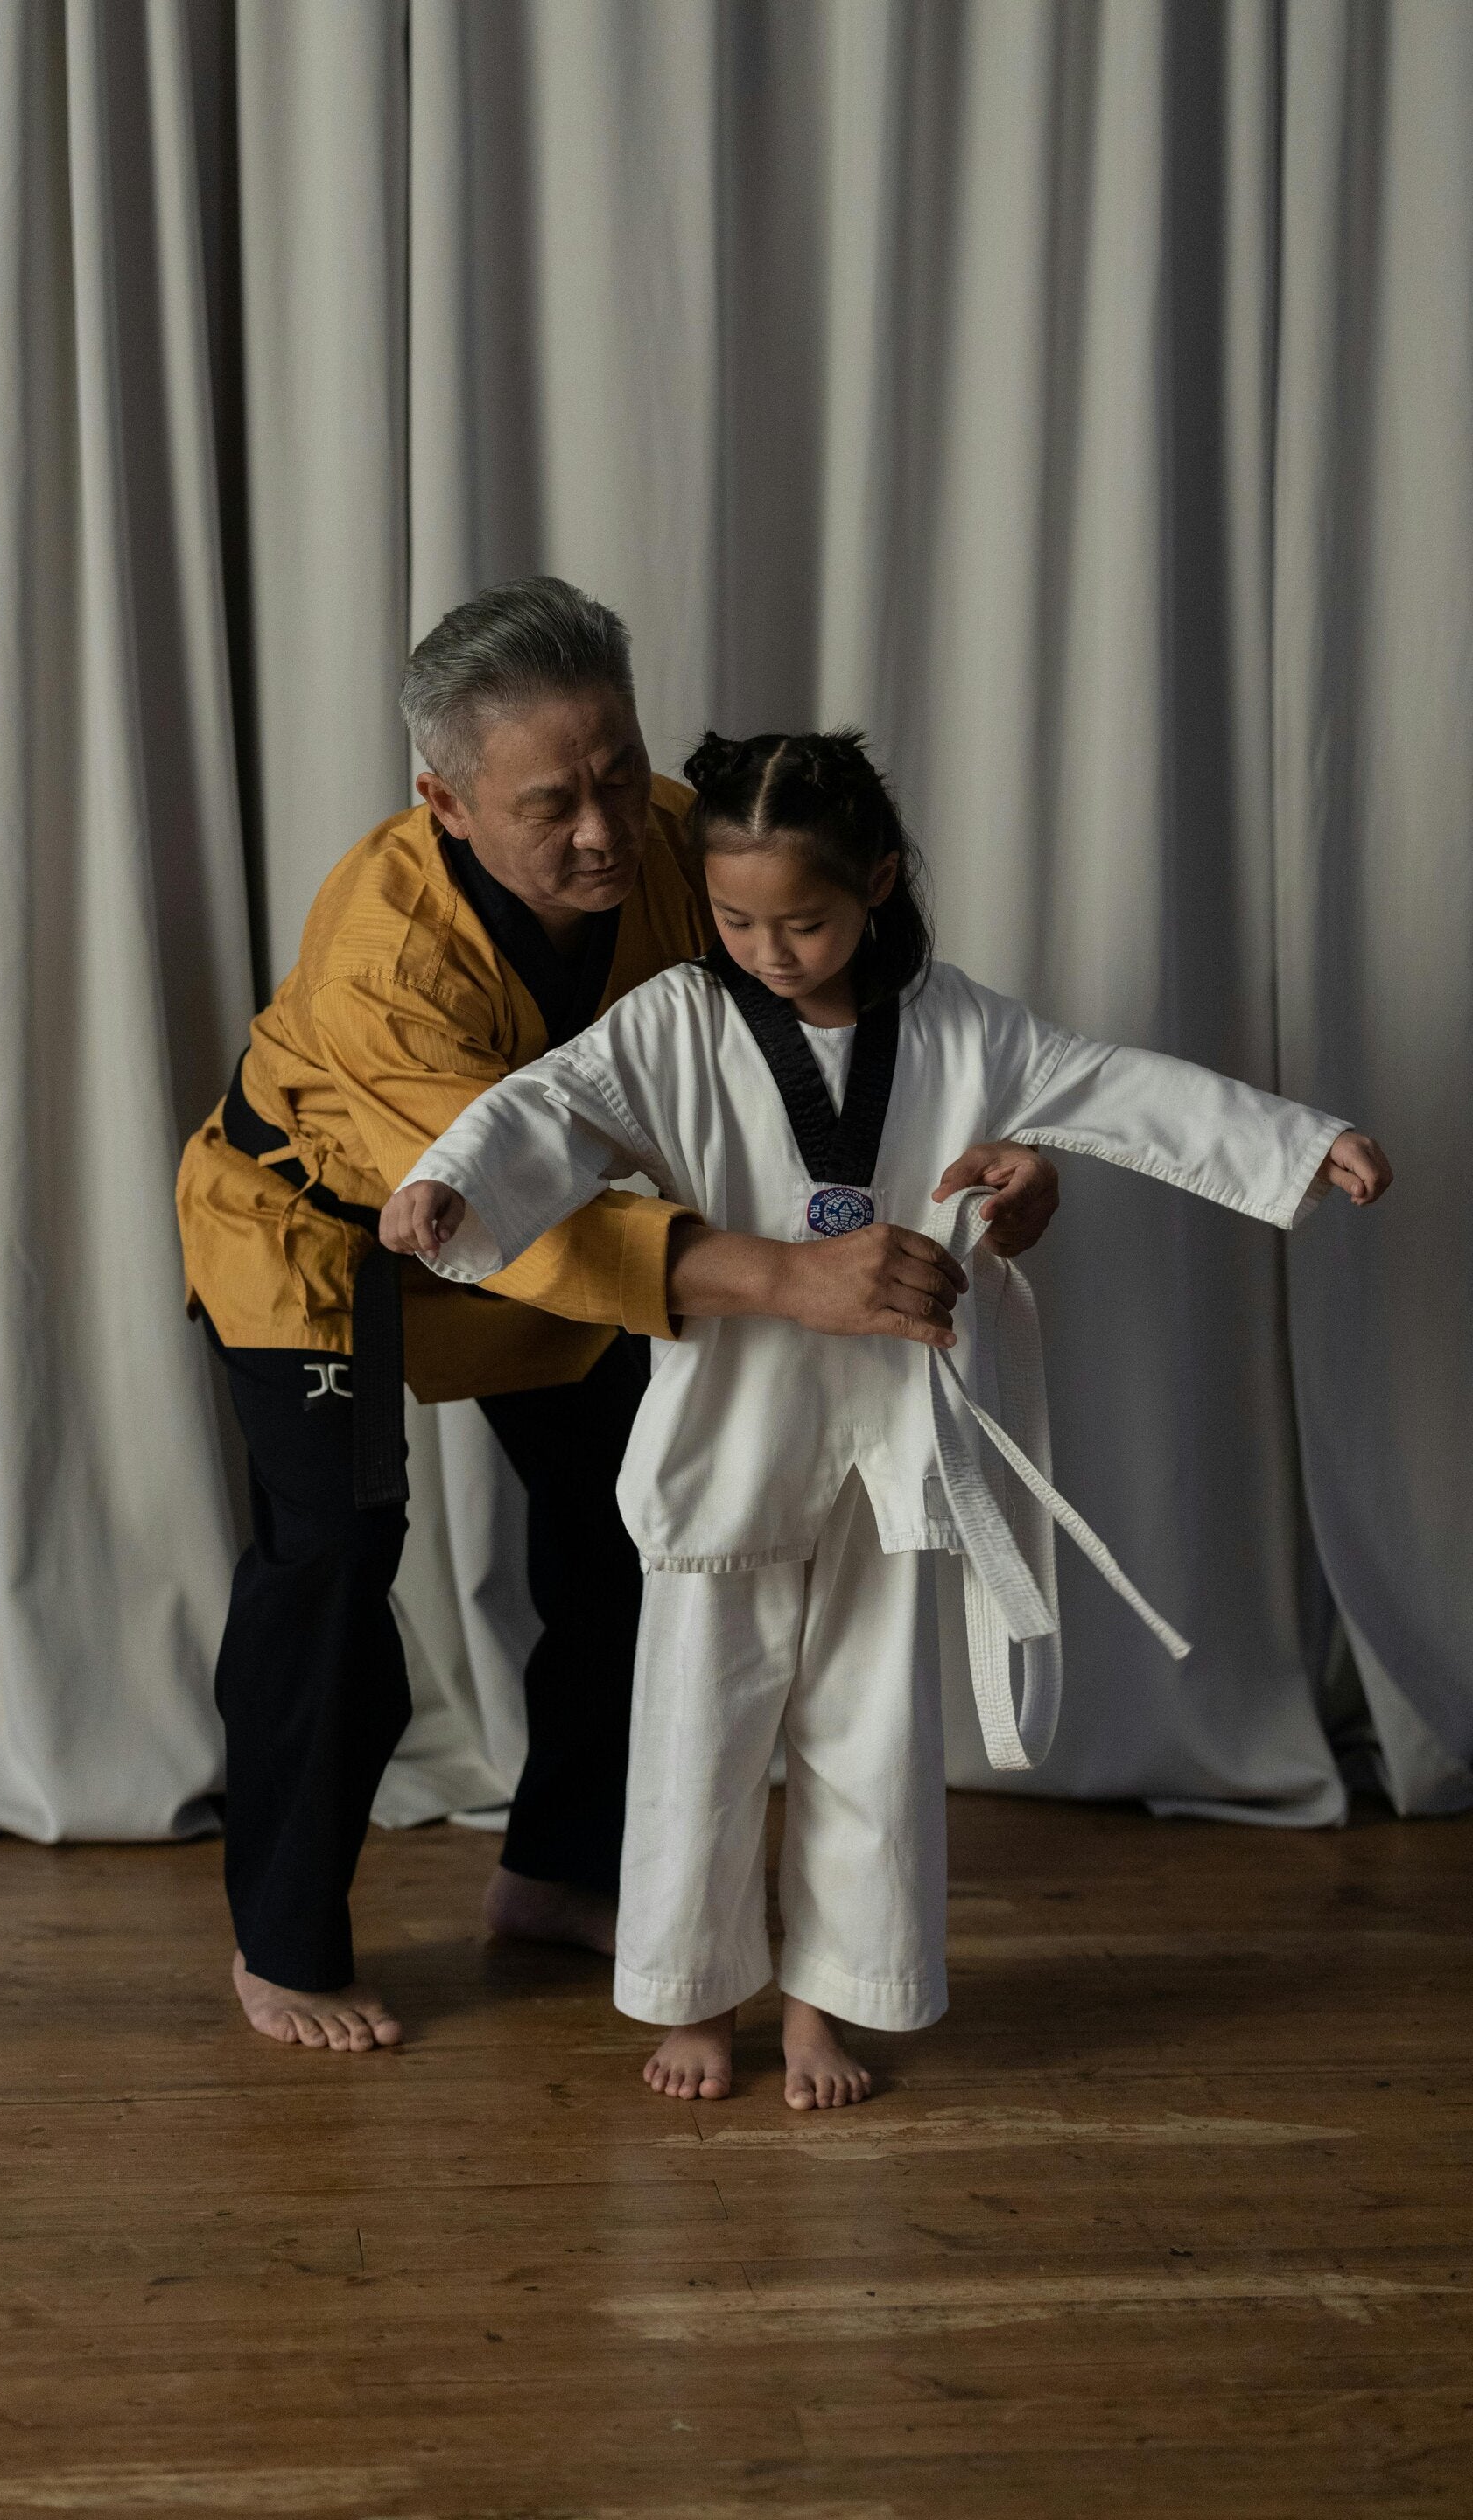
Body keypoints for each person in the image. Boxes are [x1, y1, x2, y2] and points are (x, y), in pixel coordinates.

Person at [381, 726, 1394, 2110]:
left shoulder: (967, 1027)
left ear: (879, 882)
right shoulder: (674, 1020)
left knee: (871, 1734)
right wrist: (451, 1181)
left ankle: (823, 2008)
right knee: (700, 1732)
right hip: (730, 1429)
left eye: (801, 919)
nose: (770, 949)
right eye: (736, 919)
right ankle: (699, 1999)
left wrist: (1296, 1139)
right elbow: (545, 1110)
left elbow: (1122, 1086)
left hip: (896, 1435)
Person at [176, 585, 1063, 2053]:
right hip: (326, 1243)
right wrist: (789, 1279)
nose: (606, 827)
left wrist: (999, 1175)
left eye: (616, 770)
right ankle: (284, 1942)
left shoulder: (672, 838)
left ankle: (557, 1871)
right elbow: (512, 1213)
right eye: (551, 805)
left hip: (605, 1241)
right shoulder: (385, 959)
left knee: (633, 1520)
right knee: (333, 1560)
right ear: (445, 805)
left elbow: (860, 1031)